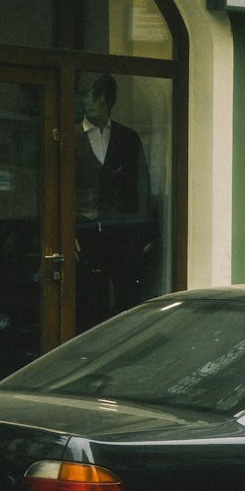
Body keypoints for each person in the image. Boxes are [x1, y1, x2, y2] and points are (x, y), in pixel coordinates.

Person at [75, 74, 156, 328]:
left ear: (109, 100)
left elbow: (141, 185)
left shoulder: (127, 138)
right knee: (88, 301)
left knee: (125, 302)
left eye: (95, 96)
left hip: (121, 235)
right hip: (83, 235)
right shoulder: (71, 136)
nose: (89, 102)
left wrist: (148, 233)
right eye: (86, 96)